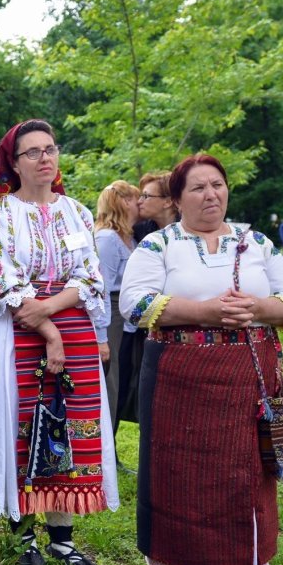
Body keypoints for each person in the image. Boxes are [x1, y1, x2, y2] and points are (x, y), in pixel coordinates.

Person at [119, 153, 283, 565]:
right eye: (198, 188)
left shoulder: (256, 242)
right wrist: (207, 311)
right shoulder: (159, 245)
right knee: (176, 469)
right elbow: (135, 303)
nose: (211, 195)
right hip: (177, 380)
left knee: (241, 474)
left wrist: (261, 309)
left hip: (246, 376)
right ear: (177, 199)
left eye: (218, 185)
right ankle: (171, 564)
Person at [0, 119, 118, 565]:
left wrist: (52, 314)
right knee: (21, 426)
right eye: (32, 152)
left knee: (71, 426)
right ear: (14, 163)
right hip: (17, 329)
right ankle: (24, 534)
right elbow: (0, 278)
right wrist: (47, 329)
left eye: (50, 149)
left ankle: (63, 540)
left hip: (71, 326)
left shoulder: (77, 212)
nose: (44, 158)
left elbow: (91, 276)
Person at [120, 171, 178, 432]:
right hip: (144, 322)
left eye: (146, 195)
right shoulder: (142, 231)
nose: (140, 200)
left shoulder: (188, 231)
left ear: (168, 201)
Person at [92, 180, 140, 427]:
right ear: (123, 202)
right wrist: (102, 332)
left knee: (120, 377)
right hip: (110, 311)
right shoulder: (108, 238)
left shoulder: (127, 237)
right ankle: (104, 441)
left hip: (123, 312)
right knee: (110, 378)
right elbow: (103, 285)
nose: (139, 203)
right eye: (135, 199)